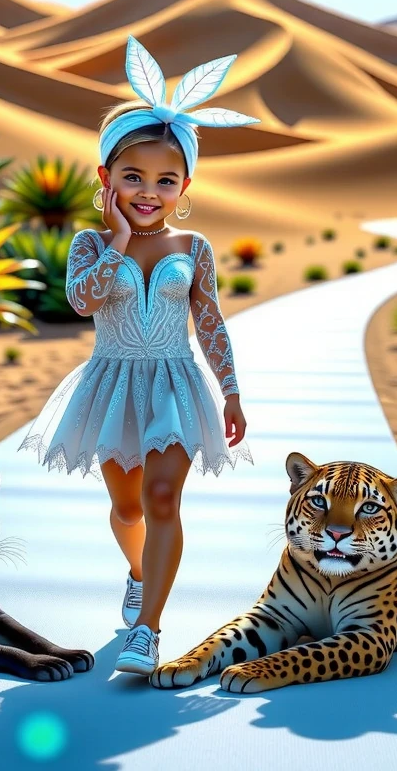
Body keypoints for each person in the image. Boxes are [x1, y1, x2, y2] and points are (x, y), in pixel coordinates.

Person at [19, 35, 260, 676]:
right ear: (106, 178)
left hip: (177, 386)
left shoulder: (194, 244)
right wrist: (120, 242)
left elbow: (208, 320)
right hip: (112, 385)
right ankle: (138, 572)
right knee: (127, 508)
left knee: (161, 500)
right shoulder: (88, 245)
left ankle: (147, 629)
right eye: (133, 177)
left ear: (185, 184)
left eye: (165, 179)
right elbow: (81, 302)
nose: (149, 191)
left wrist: (231, 392)